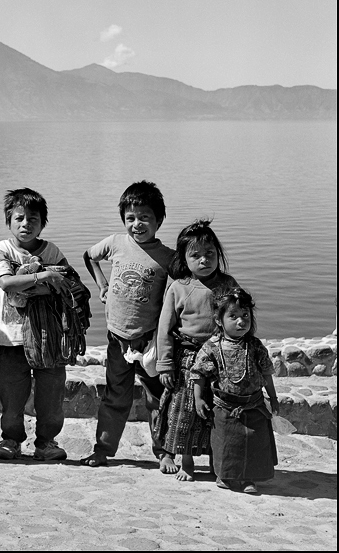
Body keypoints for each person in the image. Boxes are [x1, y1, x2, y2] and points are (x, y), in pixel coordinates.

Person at [79, 181, 175, 470]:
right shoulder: (115, 243)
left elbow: (183, 286)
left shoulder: (168, 257)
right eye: (130, 218)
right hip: (117, 338)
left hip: (149, 341)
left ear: (159, 220)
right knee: (114, 397)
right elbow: (88, 256)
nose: (137, 224)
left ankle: (165, 451)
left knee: (157, 399)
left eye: (145, 217)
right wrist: (102, 285)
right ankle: (103, 449)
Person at [0, 188, 72, 461]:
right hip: (12, 338)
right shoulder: (2, 249)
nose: (26, 224)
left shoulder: (53, 251)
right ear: (9, 221)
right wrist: (44, 277)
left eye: (33, 219)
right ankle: (10, 440)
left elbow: (69, 284)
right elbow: (6, 282)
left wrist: (44, 280)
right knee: (11, 392)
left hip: (49, 336)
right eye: (20, 218)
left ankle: (47, 442)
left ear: (42, 223)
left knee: (51, 394)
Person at [155, 219, 238, 480]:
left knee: (217, 410)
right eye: (196, 255)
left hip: (220, 358)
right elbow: (165, 329)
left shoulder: (227, 285)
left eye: (210, 254)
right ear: (184, 259)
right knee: (185, 410)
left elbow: (238, 319)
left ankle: (219, 460)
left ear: (218, 254)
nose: (204, 260)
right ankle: (185, 460)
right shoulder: (179, 288)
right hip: (188, 359)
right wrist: (165, 364)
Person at [192, 287, 279, 494]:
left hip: (254, 405)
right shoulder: (212, 348)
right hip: (225, 407)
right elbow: (198, 374)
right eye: (234, 316)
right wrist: (198, 399)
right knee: (227, 444)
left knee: (253, 443)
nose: (241, 322)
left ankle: (249, 478)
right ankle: (226, 476)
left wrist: (273, 398)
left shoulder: (255, 346)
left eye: (245, 315)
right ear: (219, 320)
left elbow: (266, 373)